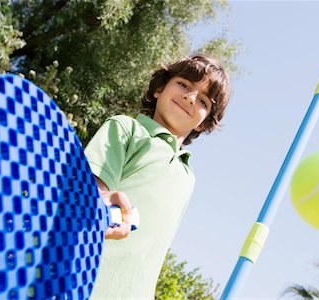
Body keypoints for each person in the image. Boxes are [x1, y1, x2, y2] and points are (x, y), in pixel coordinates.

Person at [85, 54, 231, 299]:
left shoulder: (187, 177)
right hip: (83, 280)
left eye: (204, 101)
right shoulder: (126, 129)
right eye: (184, 84)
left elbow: (156, 248)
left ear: (203, 124)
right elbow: (88, 194)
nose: (190, 97)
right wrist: (101, 199)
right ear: (160, 88)